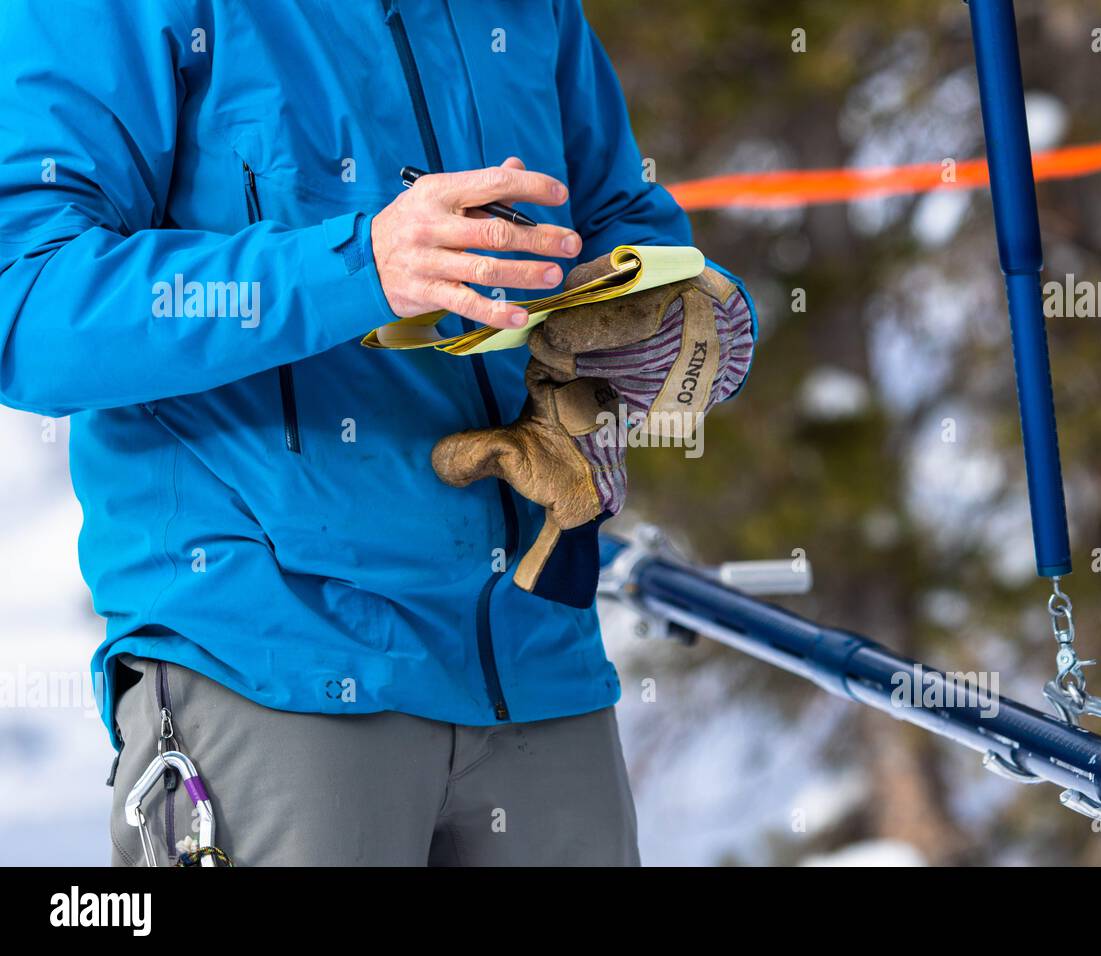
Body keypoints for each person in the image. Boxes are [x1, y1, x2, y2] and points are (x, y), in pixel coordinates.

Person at [0, 1, 755, 866]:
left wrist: (679, 320)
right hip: (271, 659)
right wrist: (361, 266)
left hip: (539, 658)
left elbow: (623, 222)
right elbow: (25, 302)